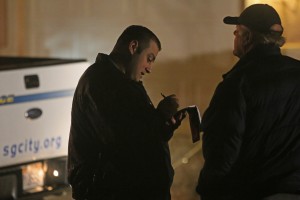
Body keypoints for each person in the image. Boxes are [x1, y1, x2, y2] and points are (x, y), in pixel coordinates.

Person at [68, 25, 185, 200]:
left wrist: (164, 126)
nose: (149, 68)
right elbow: (122, 140)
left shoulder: (127, 84)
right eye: (149, 58)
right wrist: (158, 116)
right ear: (133, 47)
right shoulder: (98, 83)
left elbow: (141, 134)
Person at [196, 4, 300, 200]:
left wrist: (208, 190)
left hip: (255, 191)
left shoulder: (238, 83)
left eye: (236, 32)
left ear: (248, 38)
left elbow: (223, 148)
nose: (234, 37)